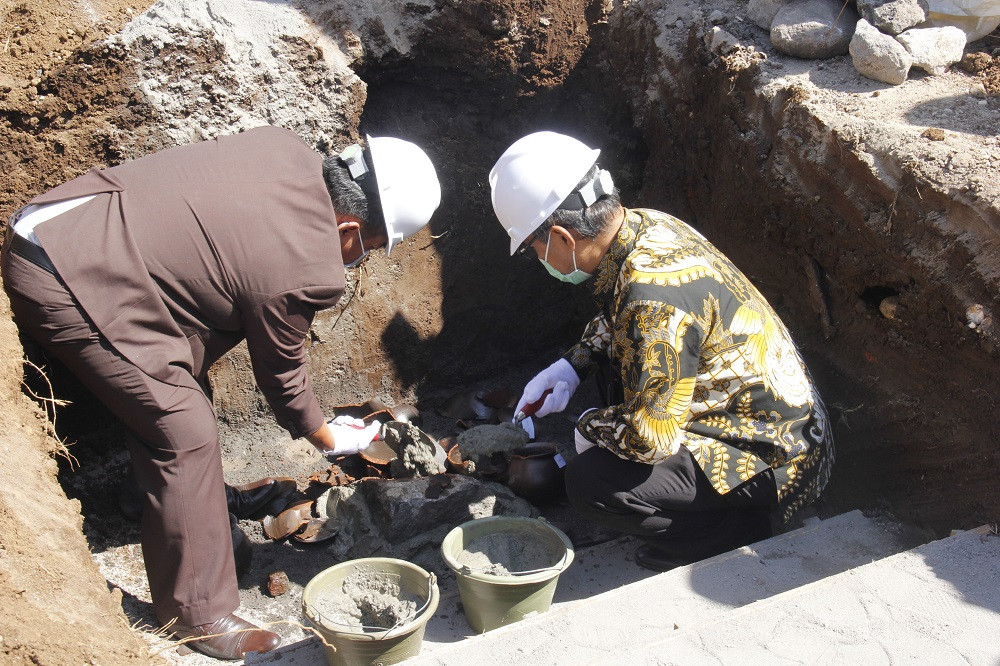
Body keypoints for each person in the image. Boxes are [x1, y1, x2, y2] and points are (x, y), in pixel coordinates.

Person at [1, 126, 441, 659]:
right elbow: (282, 375)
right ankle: (197, 613)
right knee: (184, 431)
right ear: (348, 228)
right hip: (68, 275)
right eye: (369, 247)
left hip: (67, 222)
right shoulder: (304, 262)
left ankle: (156, 506)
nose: (360, 260)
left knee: (172, 386)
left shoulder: (287, 150)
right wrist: (328, 435)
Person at [490, 131, 834, 571]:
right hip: (784, 421)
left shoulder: (648, 297)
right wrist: (572, 366)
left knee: (591, 484)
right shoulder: (647, 226)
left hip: (779, 460)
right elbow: (626, 321)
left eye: (535, 249)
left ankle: (730, 532)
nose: (539, 259)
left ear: (561, 237)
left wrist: (589, 426)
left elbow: (649, 438)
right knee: (617, 378)